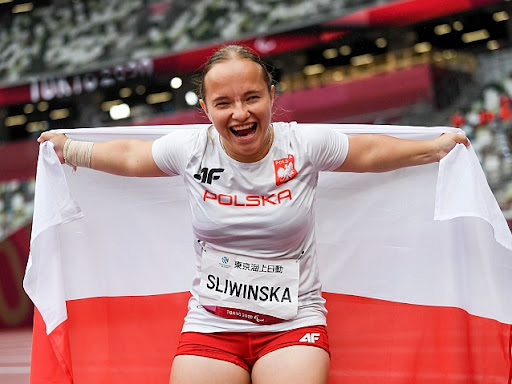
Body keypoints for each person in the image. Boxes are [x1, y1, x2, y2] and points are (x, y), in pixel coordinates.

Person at [38, 45, 469, 384]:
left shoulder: (302, 145)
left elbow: (370, 152)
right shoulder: (191, 149)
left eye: (251, 98)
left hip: (292, 321)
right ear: (205, 111)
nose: (240, 113)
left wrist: (436, 148)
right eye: (223, 103)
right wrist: (71, 150)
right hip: (211, 322)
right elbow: (133, 156)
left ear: (271, 97)